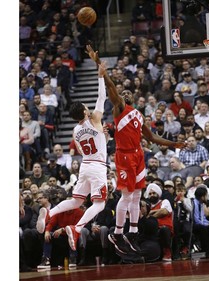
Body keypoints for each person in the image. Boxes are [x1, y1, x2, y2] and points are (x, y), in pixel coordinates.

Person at [86, 45, 182, 255]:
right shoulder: (120, 107)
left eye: (129, 91)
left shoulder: (137, 114)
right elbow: (111, 86)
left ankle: (133, 233)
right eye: (123, 91)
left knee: (137, 196)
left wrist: (172, 144)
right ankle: (118, 233)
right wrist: (99, 65)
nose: (125, 93)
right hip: (124, 155)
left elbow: (152, 137)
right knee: (127, 196)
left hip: (138, 154)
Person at [38, 60, 109, 256]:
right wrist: (100, 75)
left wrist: (103, 136)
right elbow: (102, 97)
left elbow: (81, 147)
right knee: (100, 204)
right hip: (97, 166)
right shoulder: (94, 119)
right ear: (86, 112)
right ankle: (77, 229)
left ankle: (50, 212)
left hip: (85, 165)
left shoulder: (76, 130)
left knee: (76, 201)